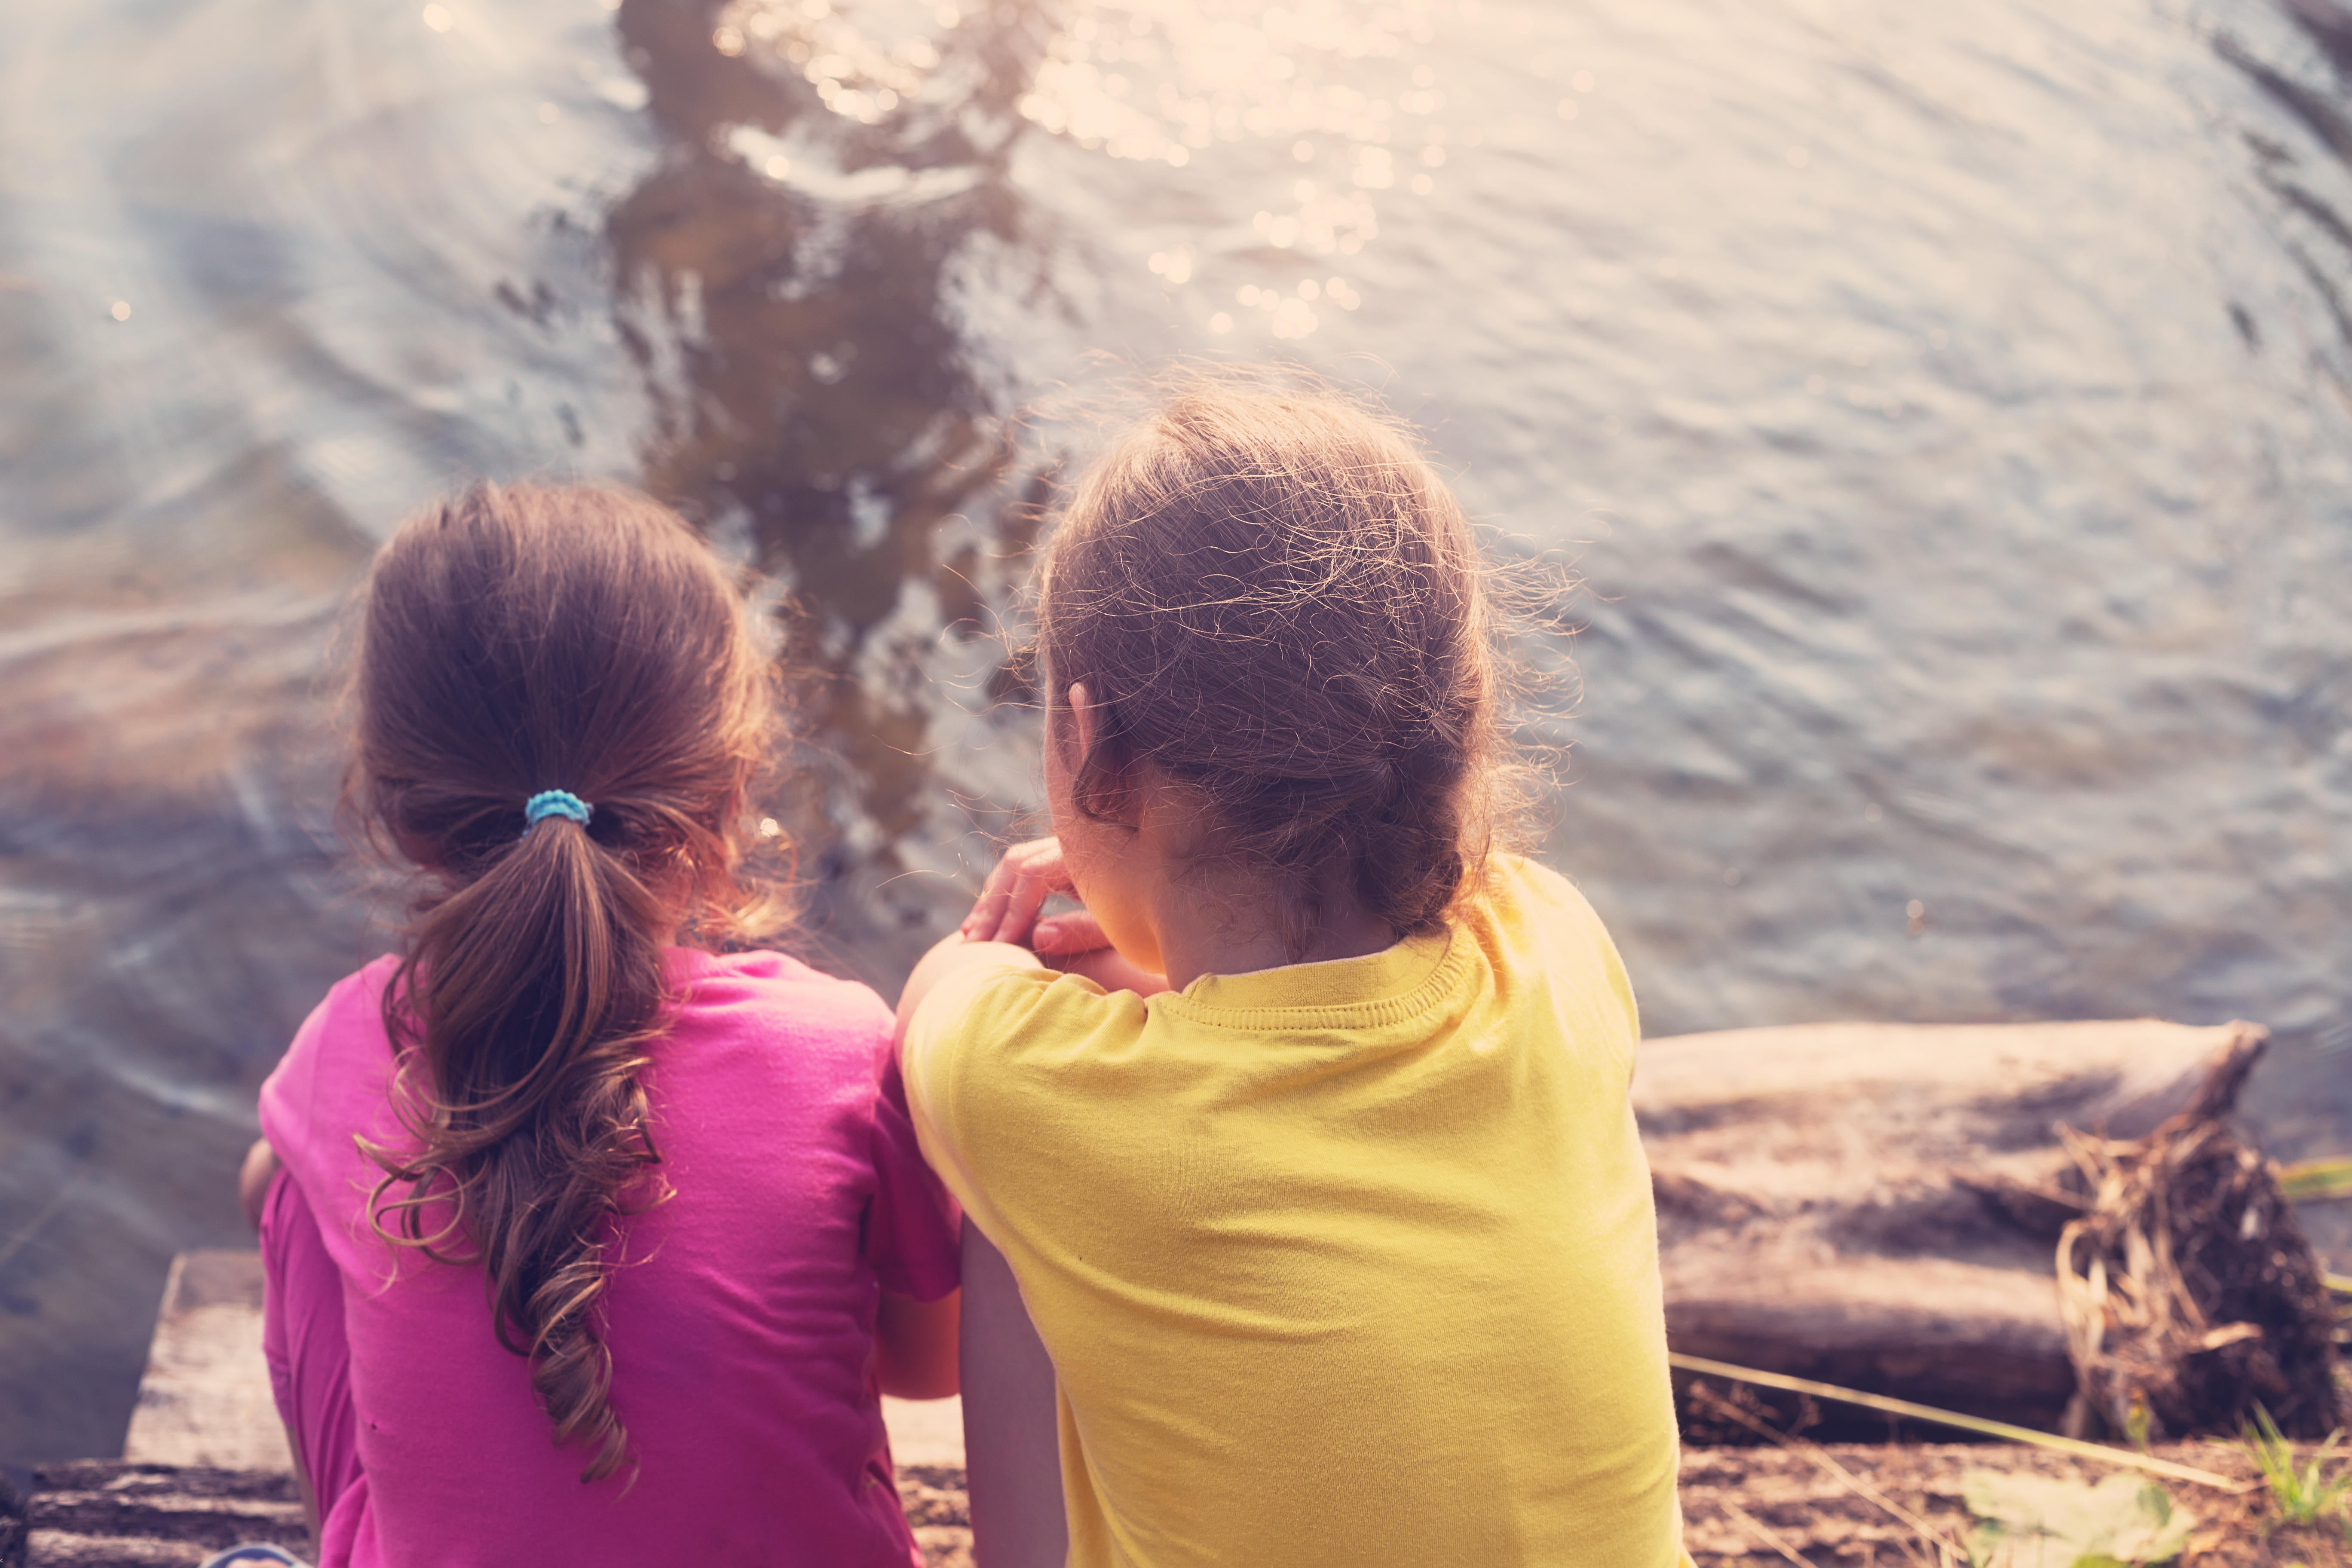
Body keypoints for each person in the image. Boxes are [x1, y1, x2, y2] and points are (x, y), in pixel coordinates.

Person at [897, 381, 1695, 1567]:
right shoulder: (1556, 944)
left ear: (1088, 742)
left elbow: (939, 997)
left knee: (1013, 1219)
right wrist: (1168, 959)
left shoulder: (1025, 1086)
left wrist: (1129, 968)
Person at [234, 484, 960, 1568]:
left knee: (287, 1188)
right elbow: (926, 1366)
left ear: (399, 808)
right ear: (728, 787)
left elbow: (273, 1185)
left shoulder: (347, 1044)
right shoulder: (842, 1055)